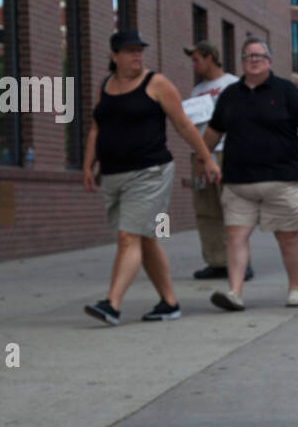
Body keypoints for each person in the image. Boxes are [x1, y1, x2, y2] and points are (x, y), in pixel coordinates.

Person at [83, 30, 220, 325]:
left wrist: (206, 158)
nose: (137, 56)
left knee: (128, 235)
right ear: (114, 56)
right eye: (130, 51)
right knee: (144, 240)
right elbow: (97, 128)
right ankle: (169, 303)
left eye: (140, 50)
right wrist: (87, 165)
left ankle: (112, 304)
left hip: (150, 172)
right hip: (113, 174)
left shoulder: (156, 83)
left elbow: (183, 125)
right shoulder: (105, 85)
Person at [202, 35, 298, 310]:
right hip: (239, 182)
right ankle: (235, 293)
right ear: (241, 62)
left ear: (269, 61)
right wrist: (204, 158)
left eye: (258, 56)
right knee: (234, 237)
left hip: (281, 179)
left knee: (288, 237)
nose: (253, 61)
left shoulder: (286, 90)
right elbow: (214, 132)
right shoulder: (230, 95)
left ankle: (294, 289)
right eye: (248, 56)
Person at [183, 40, 251, 282]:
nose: (194, 65)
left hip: (227, 152)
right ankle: (216, 260)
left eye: (196, 59)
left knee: (233, 208)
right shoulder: (196, 90)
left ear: (210, 57)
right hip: (201, 155)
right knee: (206, 210)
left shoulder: (232, 84)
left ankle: (242, 262)